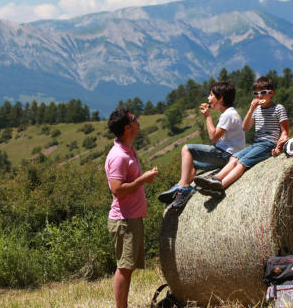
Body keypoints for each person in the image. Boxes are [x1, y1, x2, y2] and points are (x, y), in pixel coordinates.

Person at [158, 81, 245, 208]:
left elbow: (213, 137)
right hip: (228, 155)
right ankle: (183, 188)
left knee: (187, 149)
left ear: (220, 98)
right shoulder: (231, 113)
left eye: (211, 95)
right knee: (191, 163)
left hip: (226, 155)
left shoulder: (228, 115)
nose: (208, 98)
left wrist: (208, 117)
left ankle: (182, 187)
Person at [105, 108, 159, 308]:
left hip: (132, 217)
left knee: (127, 267)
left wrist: (141, 179)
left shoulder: (128, 149)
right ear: (127, 128)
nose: (139, 121)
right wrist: (142, 180)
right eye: (135, 119)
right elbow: (117, 190)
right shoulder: (118, 156)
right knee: (124, 268)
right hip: (124, 220)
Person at [195, 76, 289, 190]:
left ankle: (220, 186)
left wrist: (279, 147)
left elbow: (284, 132)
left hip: (269, 144)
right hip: (256, 143)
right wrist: (251, 109)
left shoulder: (279, 108)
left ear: (271, 93)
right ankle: (215, 179)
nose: (259, 96)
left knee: (242, 163)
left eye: (263, 92)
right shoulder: (257, 110)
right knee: (234, 158)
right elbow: (245, 127)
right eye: (256, 93)